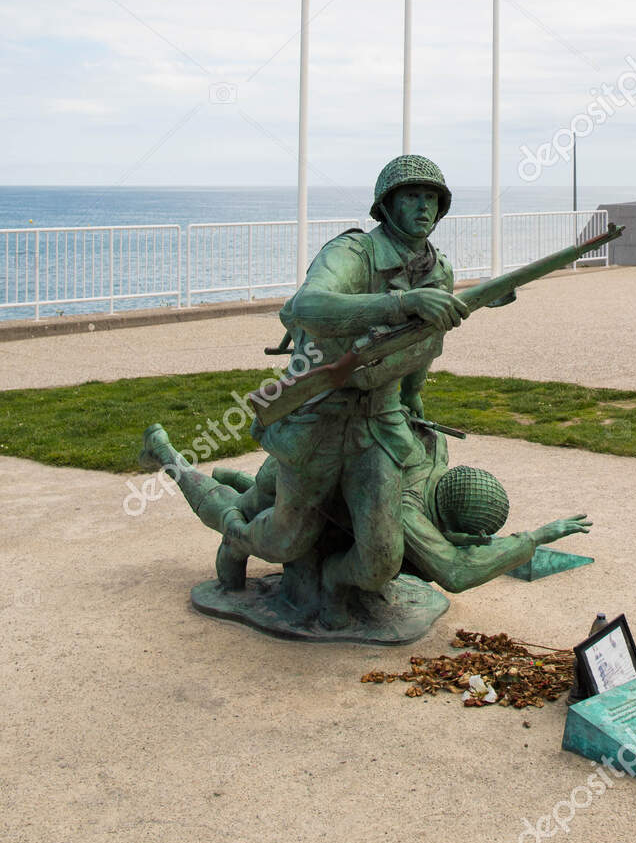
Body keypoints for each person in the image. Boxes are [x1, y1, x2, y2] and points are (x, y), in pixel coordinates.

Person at [144, 155, 468, 627]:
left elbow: (424, 343)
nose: (423, 207)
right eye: (412, 196)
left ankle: (335, 584)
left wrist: (413, 393)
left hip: (378, 427)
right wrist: (402, 303)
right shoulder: (354, 253)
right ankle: (229, 530)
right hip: (317, 419)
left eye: (431, 198)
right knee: (285, 540)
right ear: (386, 205)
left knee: (382, 559)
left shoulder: (438, 271)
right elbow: (306, 306)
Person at [141, 423, 592, 595]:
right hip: (295, 479)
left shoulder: (434, 449)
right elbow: (456, 571)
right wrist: (534, 538)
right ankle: (166, 454)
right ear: (457, 532)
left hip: (324, 482)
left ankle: (232, 480)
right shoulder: (408, 513)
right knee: (236, 513)